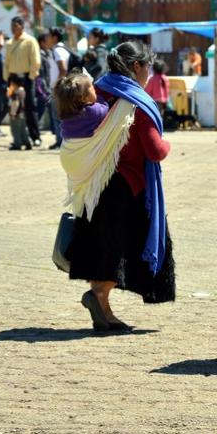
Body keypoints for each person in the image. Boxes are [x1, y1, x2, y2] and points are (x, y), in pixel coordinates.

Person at [61, 41, 176, 331]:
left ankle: (103, 307)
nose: (149, 72)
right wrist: (168, 145)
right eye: (147, 66)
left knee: (103, 248)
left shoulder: (96, 90)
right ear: (136, 66)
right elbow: (154, 150)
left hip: (97, 185)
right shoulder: (133, 100)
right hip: (125, 189)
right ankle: (99, 298)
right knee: (123, 250)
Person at [3, 16, 41, 146]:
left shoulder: (30, 41)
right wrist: (6, 78)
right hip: (13, 78)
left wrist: (30, 77)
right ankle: (18, 138)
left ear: (22, 26)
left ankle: (35, 137)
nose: (13, 29)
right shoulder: (9, 43)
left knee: (29, 107)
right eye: (11, 26)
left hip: (26, 78)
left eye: (15, 26)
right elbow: (6, 62)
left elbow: (35, 61)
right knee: (14, 108)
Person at [48, 27, 70, 150]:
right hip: (64, 87)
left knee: (57, 116)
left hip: (59, 88)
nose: (47, 39)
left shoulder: (57, 51)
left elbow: (62, 69)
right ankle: (60, 140)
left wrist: (57, 85)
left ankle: (60, 141)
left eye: (49, 36)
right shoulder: (64, 49)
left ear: (55, 38)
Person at [7, 74, 32, 151]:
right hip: (22, 113)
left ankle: (17, 143)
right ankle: (27, 142)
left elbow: (15, 103)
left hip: (16, 114)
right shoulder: (23, 90)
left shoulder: (16, 92)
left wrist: (13, 113)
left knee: (15, 130)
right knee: (23, 129)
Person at [36, 33, 52, 123]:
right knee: (39, 109)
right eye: (48, 42)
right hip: (41, 88)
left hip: (44, 87)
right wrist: (45, 88)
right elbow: (41, 75)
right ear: (42, 43)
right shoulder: (40, 56)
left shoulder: (46, 54)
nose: (50, 43)